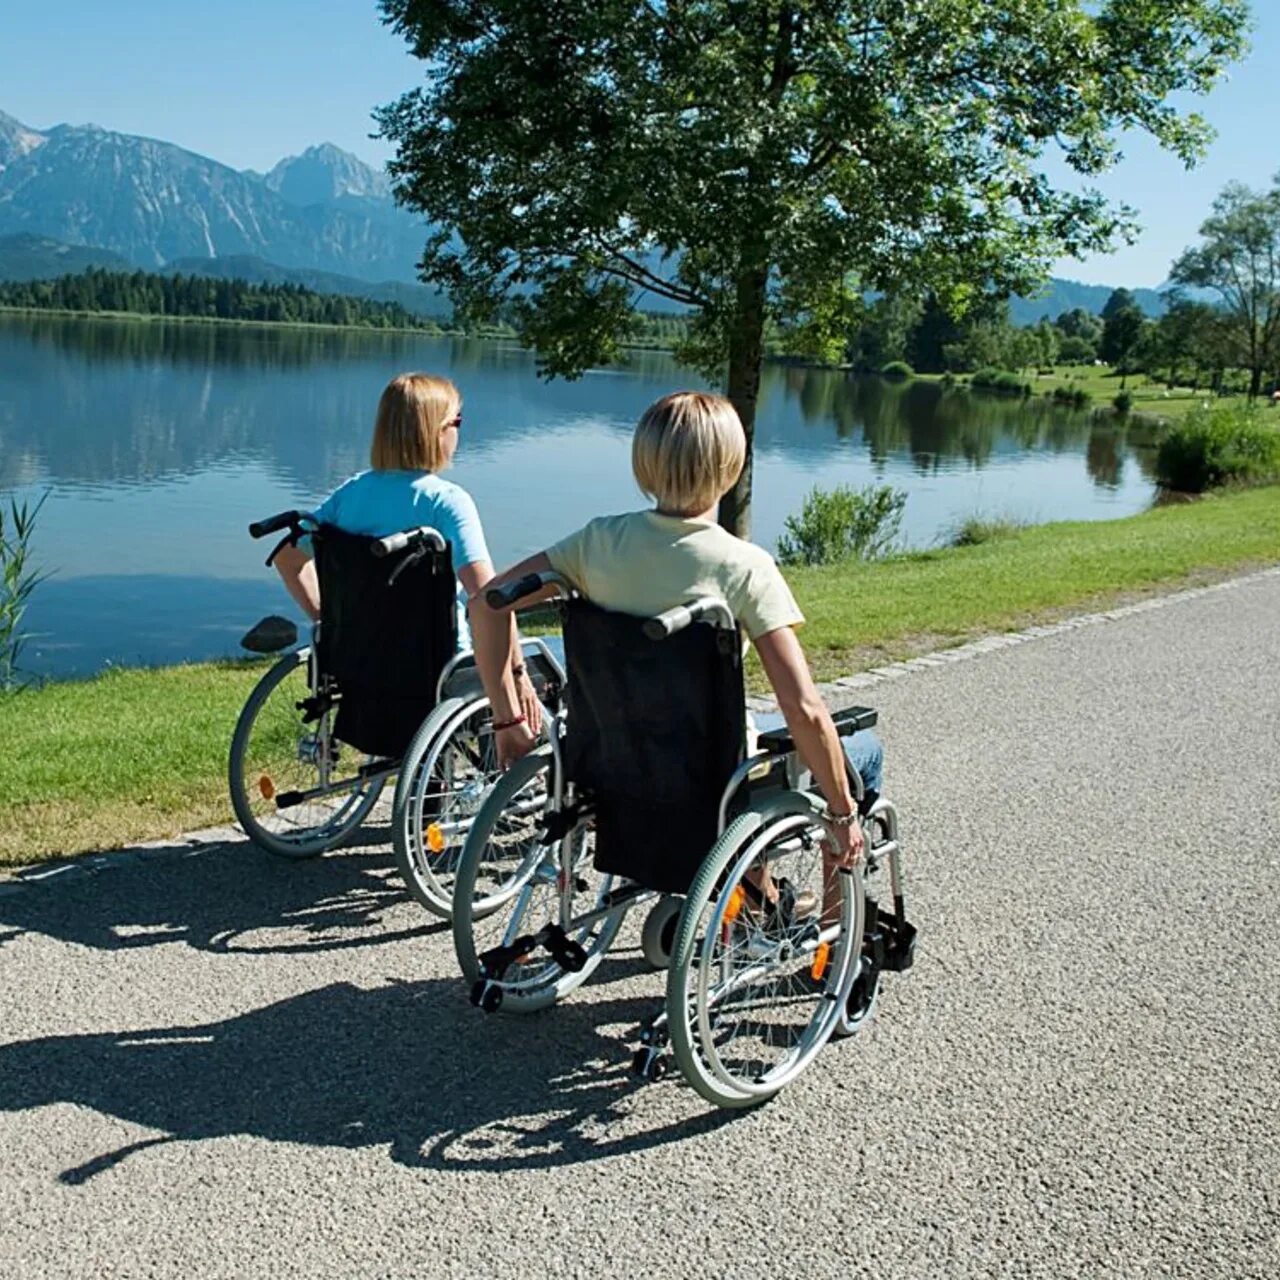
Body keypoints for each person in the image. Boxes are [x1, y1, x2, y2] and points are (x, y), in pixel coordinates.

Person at [471, 390, 883, 881]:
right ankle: (835, 930)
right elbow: (804, 709)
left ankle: (759, 895)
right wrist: (842, 812)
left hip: (609, 766)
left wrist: (508, 718)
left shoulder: (596, 542)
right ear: (730, 466)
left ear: (644, 461)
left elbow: (487, 603)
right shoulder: (744, 567)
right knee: (862, 755)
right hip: (710, 779)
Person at [272, 372, 539, 732]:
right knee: (549, 669)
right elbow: (491, 597)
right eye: (457, 421)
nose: (459, 430)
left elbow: (288, 560)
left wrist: (329, 619)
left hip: (363, 661)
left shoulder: (351, 494)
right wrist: (519, 674)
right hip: (439, 668)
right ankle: (514, 768)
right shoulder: (447, 503)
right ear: (438, 431)